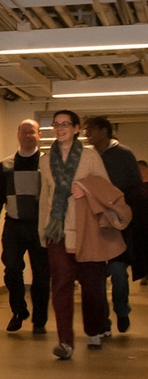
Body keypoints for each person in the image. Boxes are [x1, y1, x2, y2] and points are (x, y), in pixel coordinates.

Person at [40, 110, 121, 359]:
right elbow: (45, 197)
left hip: (87, 231)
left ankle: (94, 330)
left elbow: (106, 190)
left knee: (92, 286)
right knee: (61, 286)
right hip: (58, 231)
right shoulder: (45, 161)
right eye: (56, 124)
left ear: (76, 129)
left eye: (66, 124)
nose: (60, 128)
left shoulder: (90, 156)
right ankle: (65, 342)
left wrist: (85, 189)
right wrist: (43, 231)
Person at [82, 116, 143, 334]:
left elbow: (136, 190)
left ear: (103, 131)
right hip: (93, 224)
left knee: (118, 272)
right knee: (96, 278)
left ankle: (122, 310)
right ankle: (103, 322)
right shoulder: (86, 155)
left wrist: (127, 217)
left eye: (90, 130)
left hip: (119, 224)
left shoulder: (124, 155)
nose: (87, 134)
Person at [0, 119, 50, 334]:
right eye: (24, 131)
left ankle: (40, 320)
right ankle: (19, 311)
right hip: (14, 226)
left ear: (39, 135)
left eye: (31, 132)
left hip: (39, 227)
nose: (27, 135)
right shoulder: (6, 165)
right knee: (12, 270)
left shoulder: (47, 164)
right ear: (18, 134)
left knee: (42, 276)